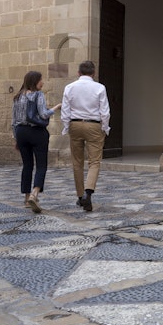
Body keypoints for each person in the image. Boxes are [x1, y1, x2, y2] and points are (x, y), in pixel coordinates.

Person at [61, 60, 111, 212]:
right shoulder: (100, 87)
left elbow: (65, 110)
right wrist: (105, 127)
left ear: (78, 73)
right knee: (94, 162)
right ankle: (88, 194)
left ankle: (79, 196)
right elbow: (105, 111)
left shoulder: (69, 87)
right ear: (93, 73)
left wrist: (66, 127)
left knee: (77, 162)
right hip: (93, 125)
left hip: (75, 124)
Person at [12, 71, 60, 213]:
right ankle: (34, 194)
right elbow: (44, 114)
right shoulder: (38, 95)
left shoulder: (18, 96)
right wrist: (56, 107)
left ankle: (27, 198)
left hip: (21, 132)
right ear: (35, 81)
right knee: (41, 165)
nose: (42, 82)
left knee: (27, 165)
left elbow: (13, 121)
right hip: (37, 133)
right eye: (41, 80)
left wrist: (16, 138)